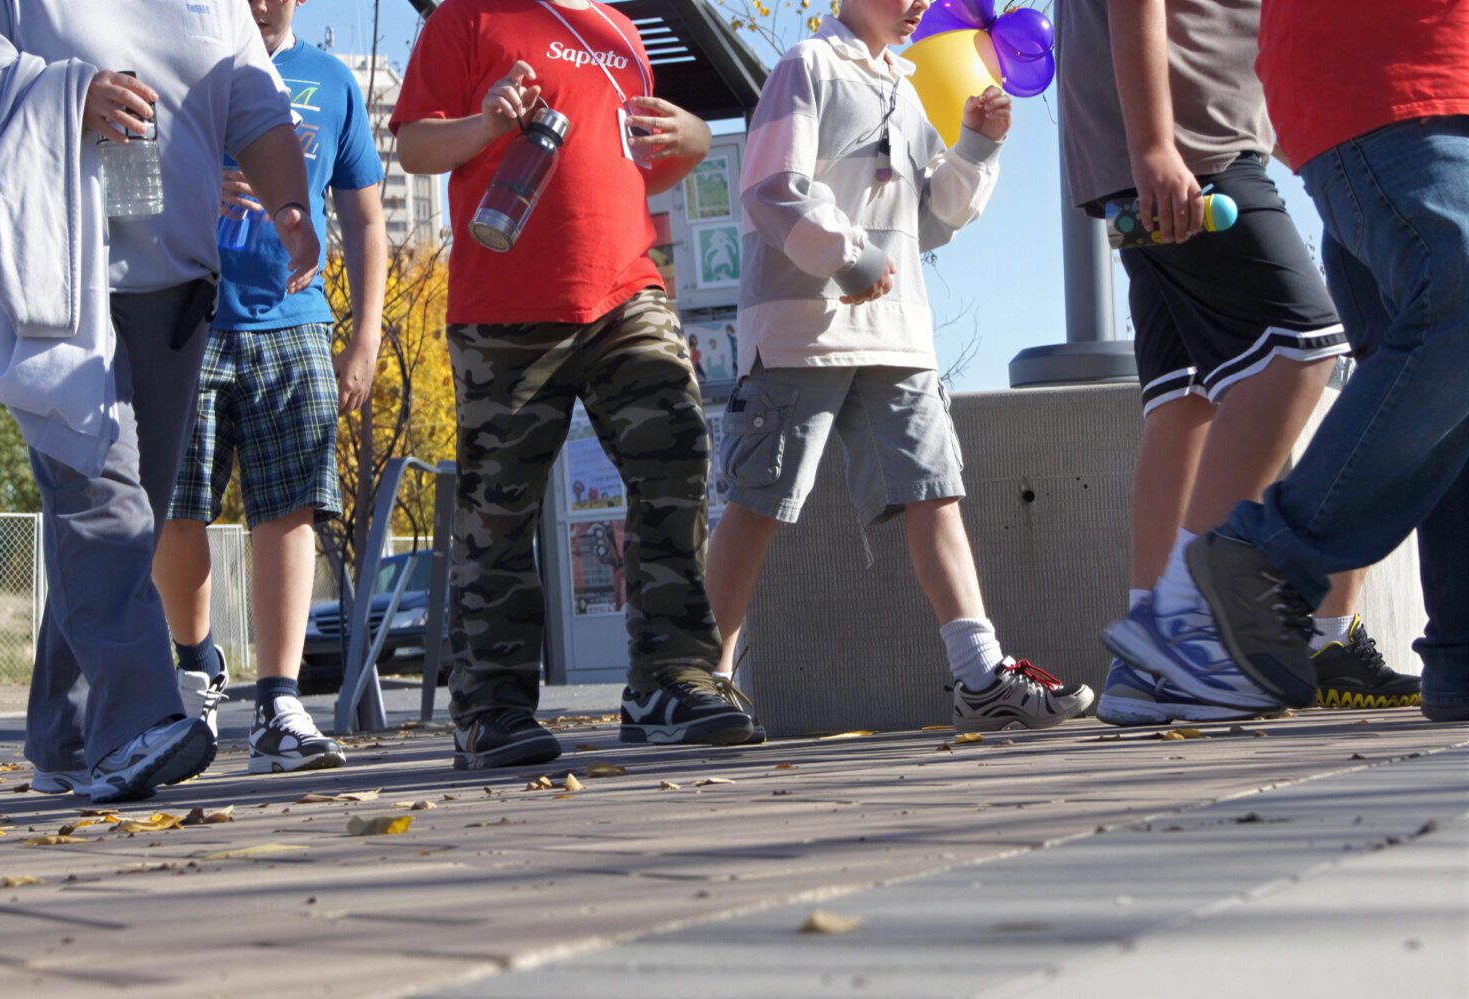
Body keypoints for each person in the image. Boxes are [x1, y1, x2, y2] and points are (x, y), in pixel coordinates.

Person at [0, 0, 319, 801]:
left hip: (173, 296)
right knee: (98, 492)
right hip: (46, 277)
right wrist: (64, 94)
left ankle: (65, 738)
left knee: (124, 518)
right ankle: (135, 727)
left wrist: (292, 211)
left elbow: (258, 106)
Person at [703, 0, 1093, 732]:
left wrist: (976, 147)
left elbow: (929, 222)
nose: (918, 4)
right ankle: (702, 680)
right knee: (758, 502)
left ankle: (980, 675)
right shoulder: (806, 67)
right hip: (804, 332)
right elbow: (770, 188)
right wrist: (847, 255)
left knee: (935, 493)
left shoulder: (906, 90)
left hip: (899, 336)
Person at [391, 0, 755, 770]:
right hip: (507, 310)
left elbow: (637, 158)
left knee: (678, 465)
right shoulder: (468, 16)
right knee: (500, 510)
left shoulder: (617, 31)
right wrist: (487, 126)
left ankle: (671, 681)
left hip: (628, 291)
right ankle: (490, 709)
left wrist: (692, 142)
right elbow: (418, 146)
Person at [1101, 0, 1469, 724]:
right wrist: (1151, 143)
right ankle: (1246, 573)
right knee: (1321, 345)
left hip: (1346, 104)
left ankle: (1457, 652)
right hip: (1382, 83)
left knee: (1442, 384)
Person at [150, 0, 386, 774]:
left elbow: (364, 217)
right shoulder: (181, 60)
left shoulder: (329, 78)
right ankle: (193, 671)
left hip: (294, 322)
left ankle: (279, 705)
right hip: (187, 314)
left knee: (291, 508)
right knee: (176, 509)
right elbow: (121, 173)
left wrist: (365, 335)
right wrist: (186, 185)